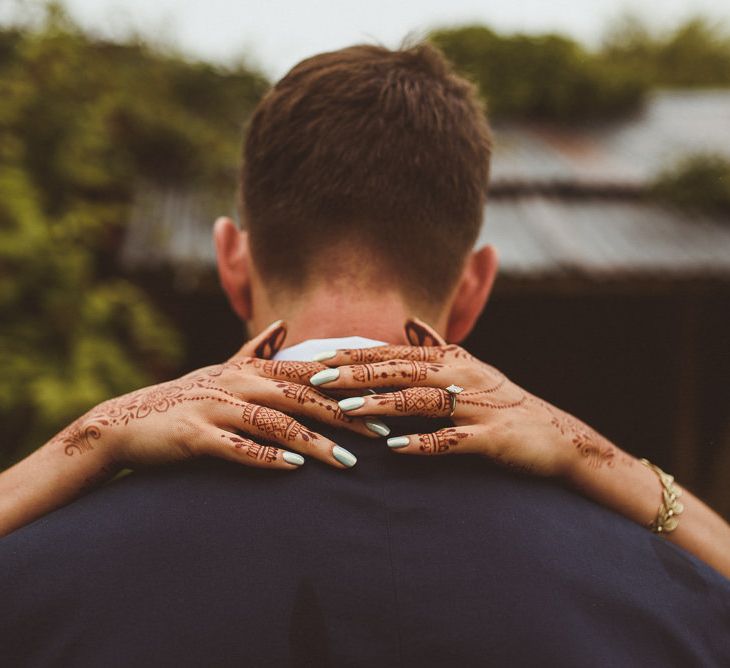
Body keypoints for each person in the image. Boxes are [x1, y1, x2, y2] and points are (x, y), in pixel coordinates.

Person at [1, 42, 729, 666]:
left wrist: (85, 442)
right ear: (475, 287)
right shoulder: (674, 606)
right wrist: (602, 460)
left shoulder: (30, 583)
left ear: (230, 260)